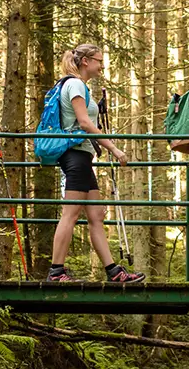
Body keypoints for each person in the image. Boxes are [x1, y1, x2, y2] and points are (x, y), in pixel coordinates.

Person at [47, 44, 145, 283]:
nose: (102, 65)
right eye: (99, 60)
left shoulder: (77, 85)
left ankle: (113, 271)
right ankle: (56, 271)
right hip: (76, 156)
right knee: (70, 214)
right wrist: (112, 147)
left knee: (96, 215)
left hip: (83, 156)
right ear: (85, 61)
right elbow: (84, 123)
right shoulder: (75, 84)